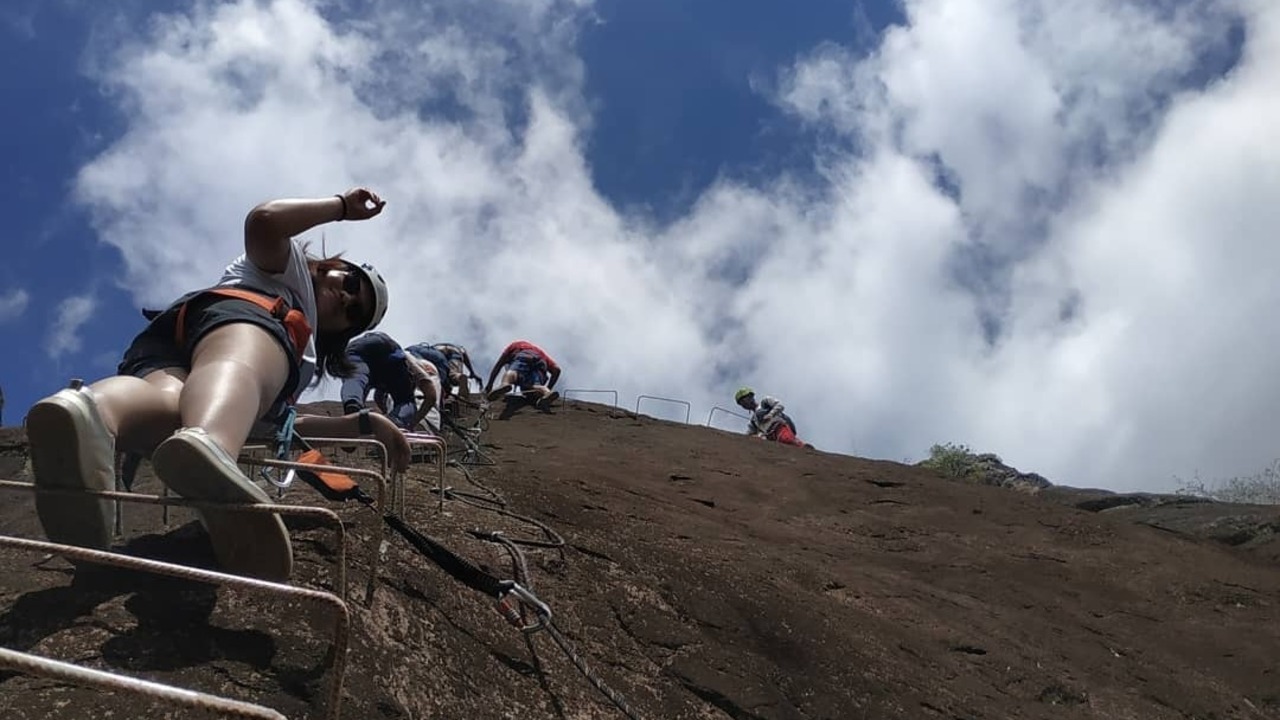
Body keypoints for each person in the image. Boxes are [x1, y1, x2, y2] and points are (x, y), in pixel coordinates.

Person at [24, 188, 412, 581]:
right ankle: (211, 446)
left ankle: (91, 414)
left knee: (168, 400)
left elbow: (276, 425)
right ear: (332, 266)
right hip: (246, 320)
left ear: (343, 333)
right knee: (236, 368)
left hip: (172, 342)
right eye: (349, 283)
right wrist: (342, 207)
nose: (344, 297)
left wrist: (361, 425)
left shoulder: (298, 357)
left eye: (353, 311)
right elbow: (264, 221)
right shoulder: (286, 268)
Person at [343, 332, 437, 431]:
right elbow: (431, 396)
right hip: (386, 347)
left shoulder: (385, 384)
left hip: (356, 349)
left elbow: (378, 398)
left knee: (355, 377)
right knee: (406, 401)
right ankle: (395, 421)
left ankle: (352, 402)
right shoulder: (415, 363)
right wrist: (412, 423)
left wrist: (359, 413)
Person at [483, 340, 561, 410]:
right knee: (530, 388)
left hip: (525, 355)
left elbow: (498, 366)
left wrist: (489, 384)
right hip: (542, 364)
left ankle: (505, 384)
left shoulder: (515, 346)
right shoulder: (541, 353)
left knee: (513, 373)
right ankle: (546, 392)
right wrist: (549, 387)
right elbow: (557, 370)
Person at [734, 387, 811, 448]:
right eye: (741, 404)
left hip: (779, 427)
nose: (744, 404)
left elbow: (780, 405)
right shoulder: (753, 421)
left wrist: (770, 414)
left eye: (744, 400)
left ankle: (802, 447)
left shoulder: (765, 402)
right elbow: (748, 434)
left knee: (786, 439)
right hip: (770, 437)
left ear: (751, 397)